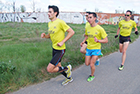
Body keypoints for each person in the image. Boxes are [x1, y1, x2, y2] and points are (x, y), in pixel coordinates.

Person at [41, 5, 75, 85]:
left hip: (60, 49)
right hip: (54, 48)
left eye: (50, 12)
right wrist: (45, 36)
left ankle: (67, 68)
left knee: (50, 69)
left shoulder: (60, 22)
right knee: (58, 67)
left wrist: (63, 41)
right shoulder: (50, 23)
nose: (48, 13)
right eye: (48, 12)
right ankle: (69, 78)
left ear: (55, 13)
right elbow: (50, 35)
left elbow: (71, 32)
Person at [80, 12, 108, 82]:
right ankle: (96, 58)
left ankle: (92, 75)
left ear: (95, 18)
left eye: (90, 17)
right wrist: (83, 41)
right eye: (88, 17)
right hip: (89, 48)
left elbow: (106, 40)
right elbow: (87, 35)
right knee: (87, 63)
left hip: (96, 48)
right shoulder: (87, 27)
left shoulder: (100, 29)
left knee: (91, 64)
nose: (88, 19)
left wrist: (98, 40)